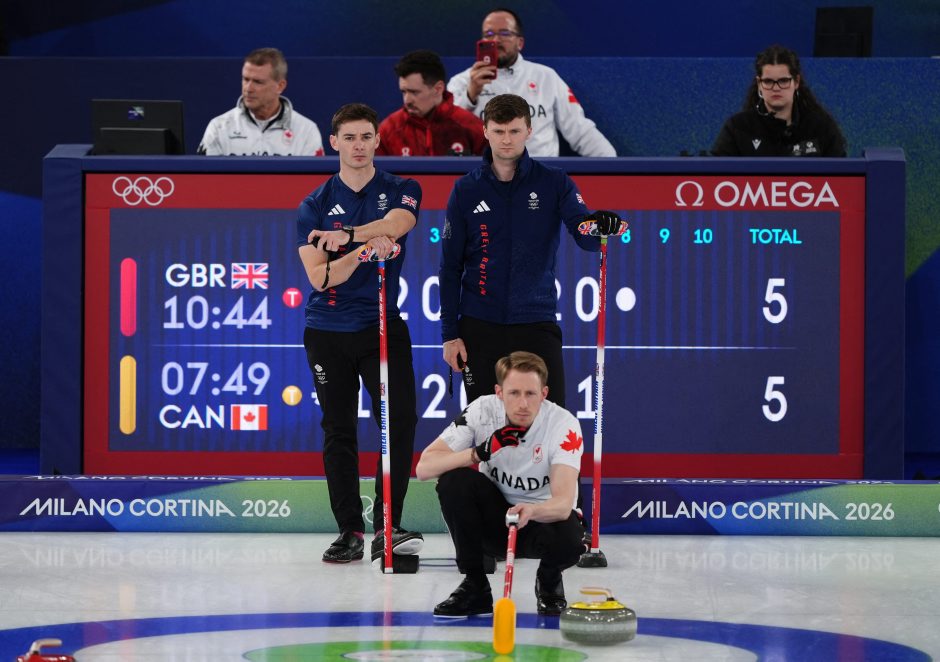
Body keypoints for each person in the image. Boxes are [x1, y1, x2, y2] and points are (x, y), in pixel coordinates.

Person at [439, 93, 624, 409]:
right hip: (479, 325)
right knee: (485, 424)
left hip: (536, 322)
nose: (506, 139)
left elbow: (585, 235)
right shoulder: (466, 189)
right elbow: (450, 266)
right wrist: (449, 335)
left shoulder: (554, 181)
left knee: (552, 420)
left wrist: (600, 226)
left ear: (528, 130)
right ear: (485, 131)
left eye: (514, 131)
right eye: (498, 131)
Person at [296, 103, 422, 564]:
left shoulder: (402, 188)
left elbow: (398, 225)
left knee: (399, 421)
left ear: (377, 140)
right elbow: (320, 278)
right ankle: (349, 529)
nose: (358, 146)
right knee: (339, 428)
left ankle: (388, 525)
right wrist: (364, 253)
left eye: (366, 136)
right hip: (327, 331)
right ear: (334, 142)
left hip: (382, 326)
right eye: (349, 138)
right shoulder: (313, 205)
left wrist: (348, 235)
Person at [416, 351, 585, 617]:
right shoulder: (482, 411)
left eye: (531, 394)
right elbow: (424, 468)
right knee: (454, 481)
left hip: (540, 522)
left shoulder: (563, 425)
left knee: (571, 537)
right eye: (514, 393)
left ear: (544, 394)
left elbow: (563, 504)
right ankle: (475, 586)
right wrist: (479, 453)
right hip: (495, 520)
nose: (523, 404)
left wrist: (531, 510)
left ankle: (549, 580)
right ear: (499, 393)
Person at [447, 8, 616, 158]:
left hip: (541, 173)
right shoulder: (462, 82)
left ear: (520, 42)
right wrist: (470, 95)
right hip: (487, 174)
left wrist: (612, 165)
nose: (496, 40)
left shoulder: (546, 77)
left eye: (504, 33)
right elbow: (446, 132)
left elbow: (579, 129)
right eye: (489, 34)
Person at [711, 44, 847, 157]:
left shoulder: (821, 127)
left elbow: (841, 174)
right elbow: (715, 174)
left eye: (783, 81)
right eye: (768, 81)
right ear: (759, 83)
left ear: (796, 82)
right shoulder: (738, 128)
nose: (776, 88)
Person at [199, 47, 324, 156]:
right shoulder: (219, 127)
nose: (248, 89)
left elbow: (316, 176)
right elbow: (205, 175)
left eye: (258, 82)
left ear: (280, 86)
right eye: (245, 79)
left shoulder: (306, 131)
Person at [377, 50, 486, 157]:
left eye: (414, 92)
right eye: (404, 92)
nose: (407, 100)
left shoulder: (473, 127)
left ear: (438, 89)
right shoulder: (387, 130)